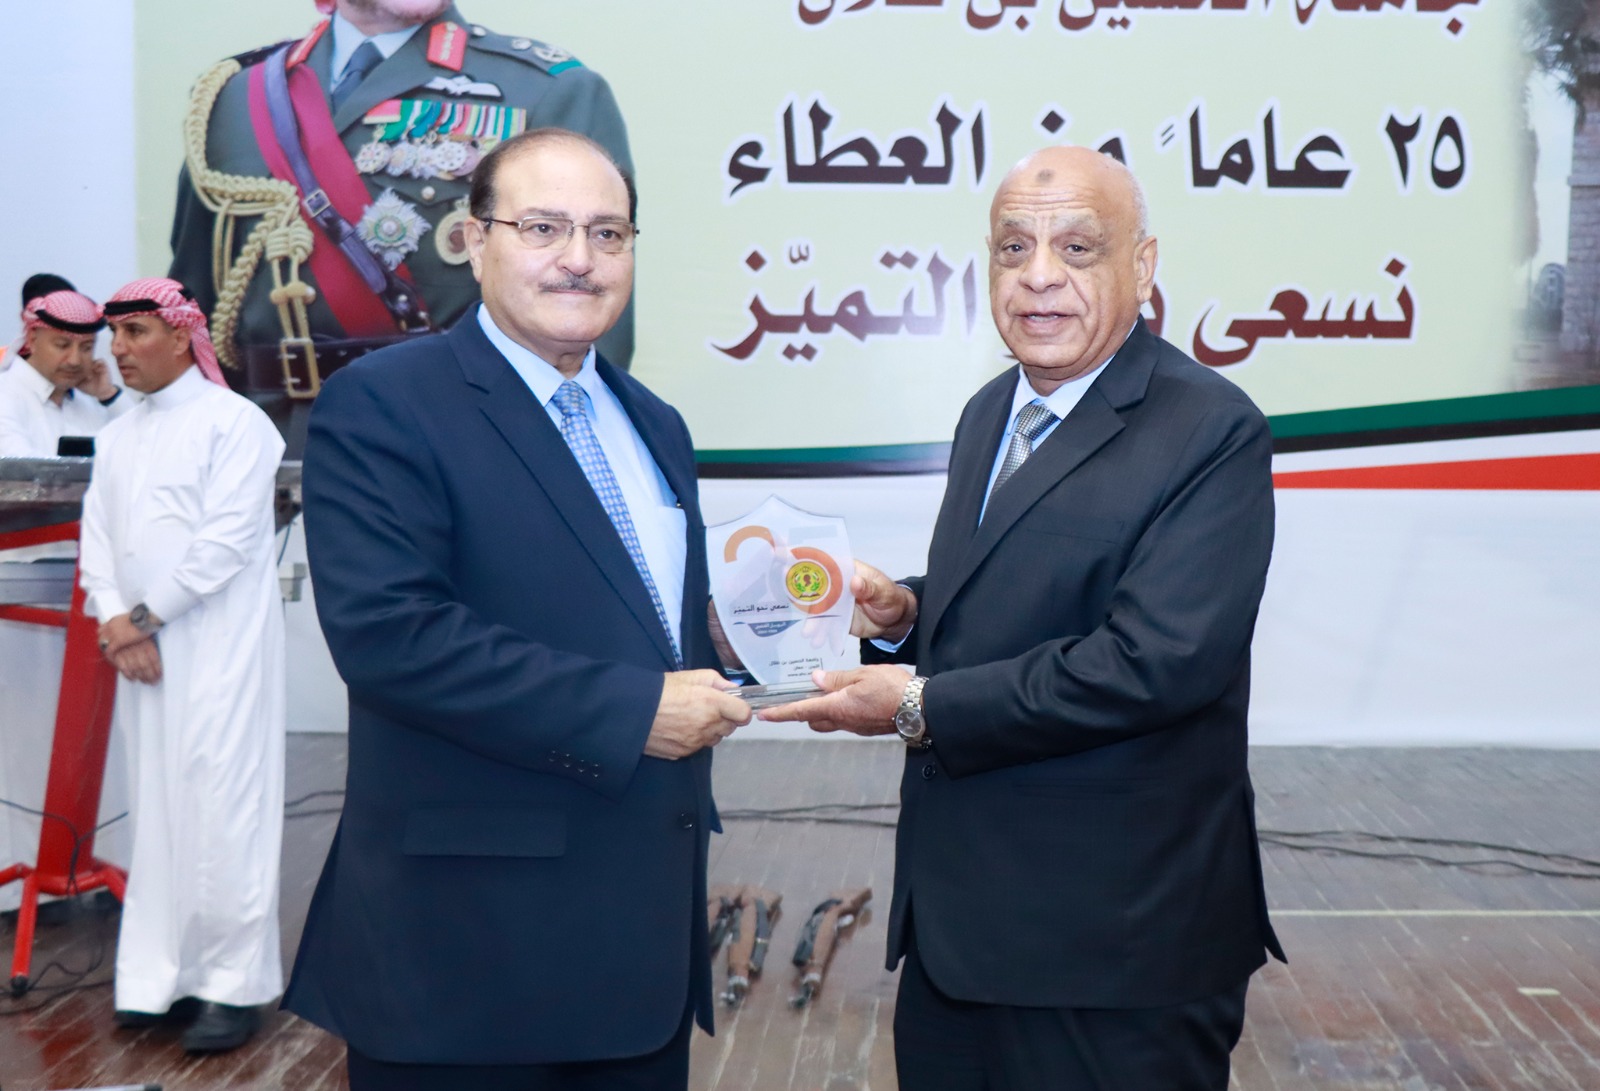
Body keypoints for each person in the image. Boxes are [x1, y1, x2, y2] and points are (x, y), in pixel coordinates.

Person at [762, 146, 1286, 1090]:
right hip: (958, 938)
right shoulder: (990, 411)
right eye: (1013, 247)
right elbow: (1015, 598)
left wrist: (917, 703)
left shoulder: (1210, 428)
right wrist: (905, 612)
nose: (1039, 275)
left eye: (1077, 247)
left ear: (1143, 266)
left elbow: (1155, 661)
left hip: (1113, 952)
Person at [284, 127, 750, 1090]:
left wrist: (753, 631)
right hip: (470, 958)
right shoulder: (385, 403)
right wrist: (635, 709)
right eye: (544, 227)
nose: (580, 258)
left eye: (608, 233)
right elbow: (391, 637)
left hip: (638, 952)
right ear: (472, 238)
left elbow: (637, 615)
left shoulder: (653, 421)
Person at [169, 0, 635, 454]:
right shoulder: (238, 96)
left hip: (458, 441)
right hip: (263, 446)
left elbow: (586, 307)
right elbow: (195, 303)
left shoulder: (543, 89)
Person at [78, 277, 287, 1054]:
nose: (119, 350)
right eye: (115, 334)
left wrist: (138, 622)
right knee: (157, 809)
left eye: (135, 332)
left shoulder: (238, 424)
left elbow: (222, 545)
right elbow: (99, 540)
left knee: (225, 809)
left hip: (218, 651)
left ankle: (230, 986)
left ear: (180, 334)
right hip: (143, 656)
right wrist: (115, 621)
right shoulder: (117, 435)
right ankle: (156, 978)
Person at [0, 290, 130, 457]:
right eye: (62, 345)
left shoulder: (90, 401)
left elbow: (140, 450)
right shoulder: (5, 394)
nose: (75, 361)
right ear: (32, 340)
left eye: (86, 348)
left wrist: (109, 396)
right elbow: (21, 467)